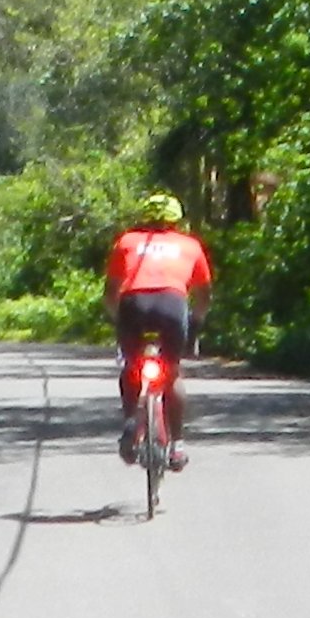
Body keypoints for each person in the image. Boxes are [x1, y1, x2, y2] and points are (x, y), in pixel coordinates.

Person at [102, 195, 215, 466]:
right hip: (172, 304)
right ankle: (177, 445)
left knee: (131, 367)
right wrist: (196, 322)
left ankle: (131, 423)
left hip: (133, 304)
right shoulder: (190, 245)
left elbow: (110, 293)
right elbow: (204, 295)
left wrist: (118, 320)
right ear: (177, 220)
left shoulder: (127, 241)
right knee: (171, 372)